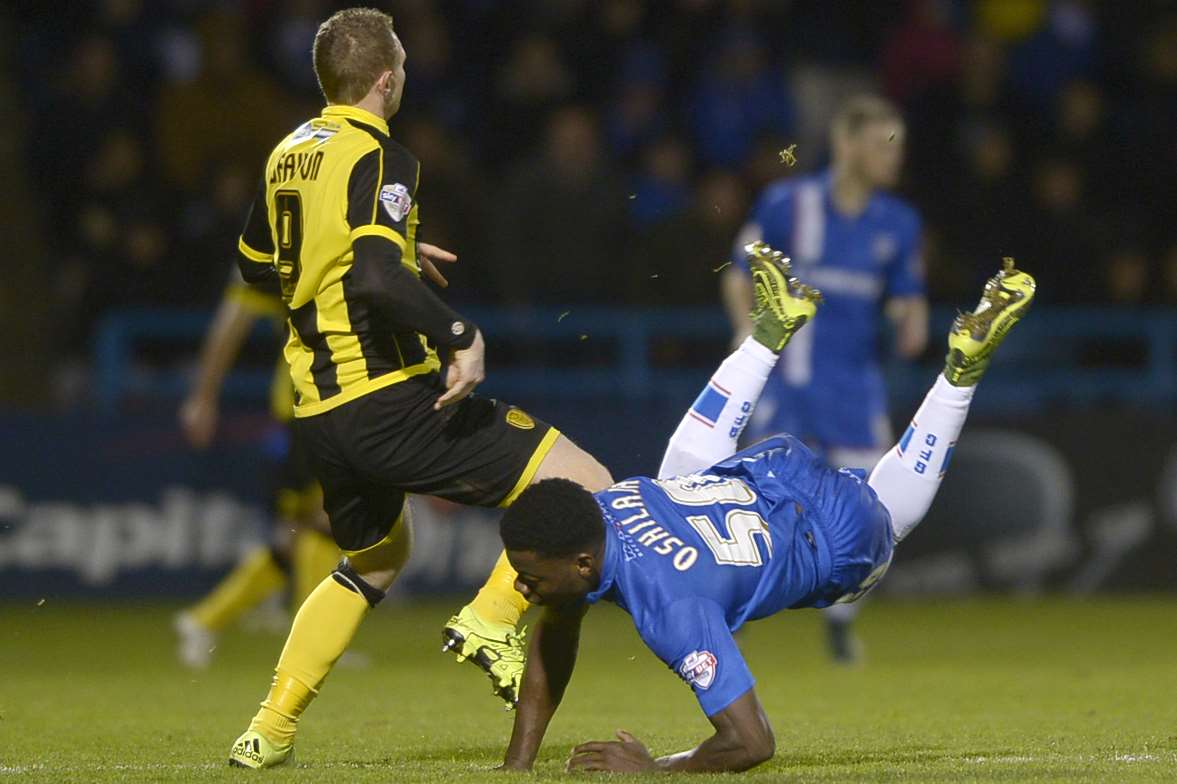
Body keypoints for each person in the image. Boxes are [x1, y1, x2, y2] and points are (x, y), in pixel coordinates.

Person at [226, 8, 611, 769]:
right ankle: (492, 617)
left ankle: (268, 728)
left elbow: (252, 264)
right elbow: (370, 275)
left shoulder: (287, 153)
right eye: (400, 62)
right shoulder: (384, 154)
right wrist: (458, 334)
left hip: (319, 412)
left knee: (372, 561)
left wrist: (389, 251)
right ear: (383, 78)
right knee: (587, 483)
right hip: (386, 398)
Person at [497, 244, 1035, 773]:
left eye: (530, 578)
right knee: (674, 479)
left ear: (583, 565)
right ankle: (768, 338)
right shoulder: (598, 508)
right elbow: (556, 630)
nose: (522, 588)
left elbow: (752, 743)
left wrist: (656, 769)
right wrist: (517, 765)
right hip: (767, 467)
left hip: (835, 540)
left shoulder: (672, 609)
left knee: (890, 520)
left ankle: (959, 378)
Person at [720, 95, 929, 662]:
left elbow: (910, 299)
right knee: (753, 503)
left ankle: (841, 619)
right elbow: (740, 271)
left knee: (872, 511)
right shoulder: (789, 202)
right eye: (886, 143)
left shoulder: (899, 223)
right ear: (848, 144)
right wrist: (746, 330)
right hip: (787, 385)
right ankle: (723, 614)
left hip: (855, 389)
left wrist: (911, 321)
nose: (895, 157)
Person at [173, 272, 340, 669]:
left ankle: (205, 620)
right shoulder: (280, 243)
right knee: (326, 521)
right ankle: (313, 642)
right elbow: (233, 319)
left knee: (306, 531)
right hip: (307, 407)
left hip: (328, 405)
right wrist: (203, 397)